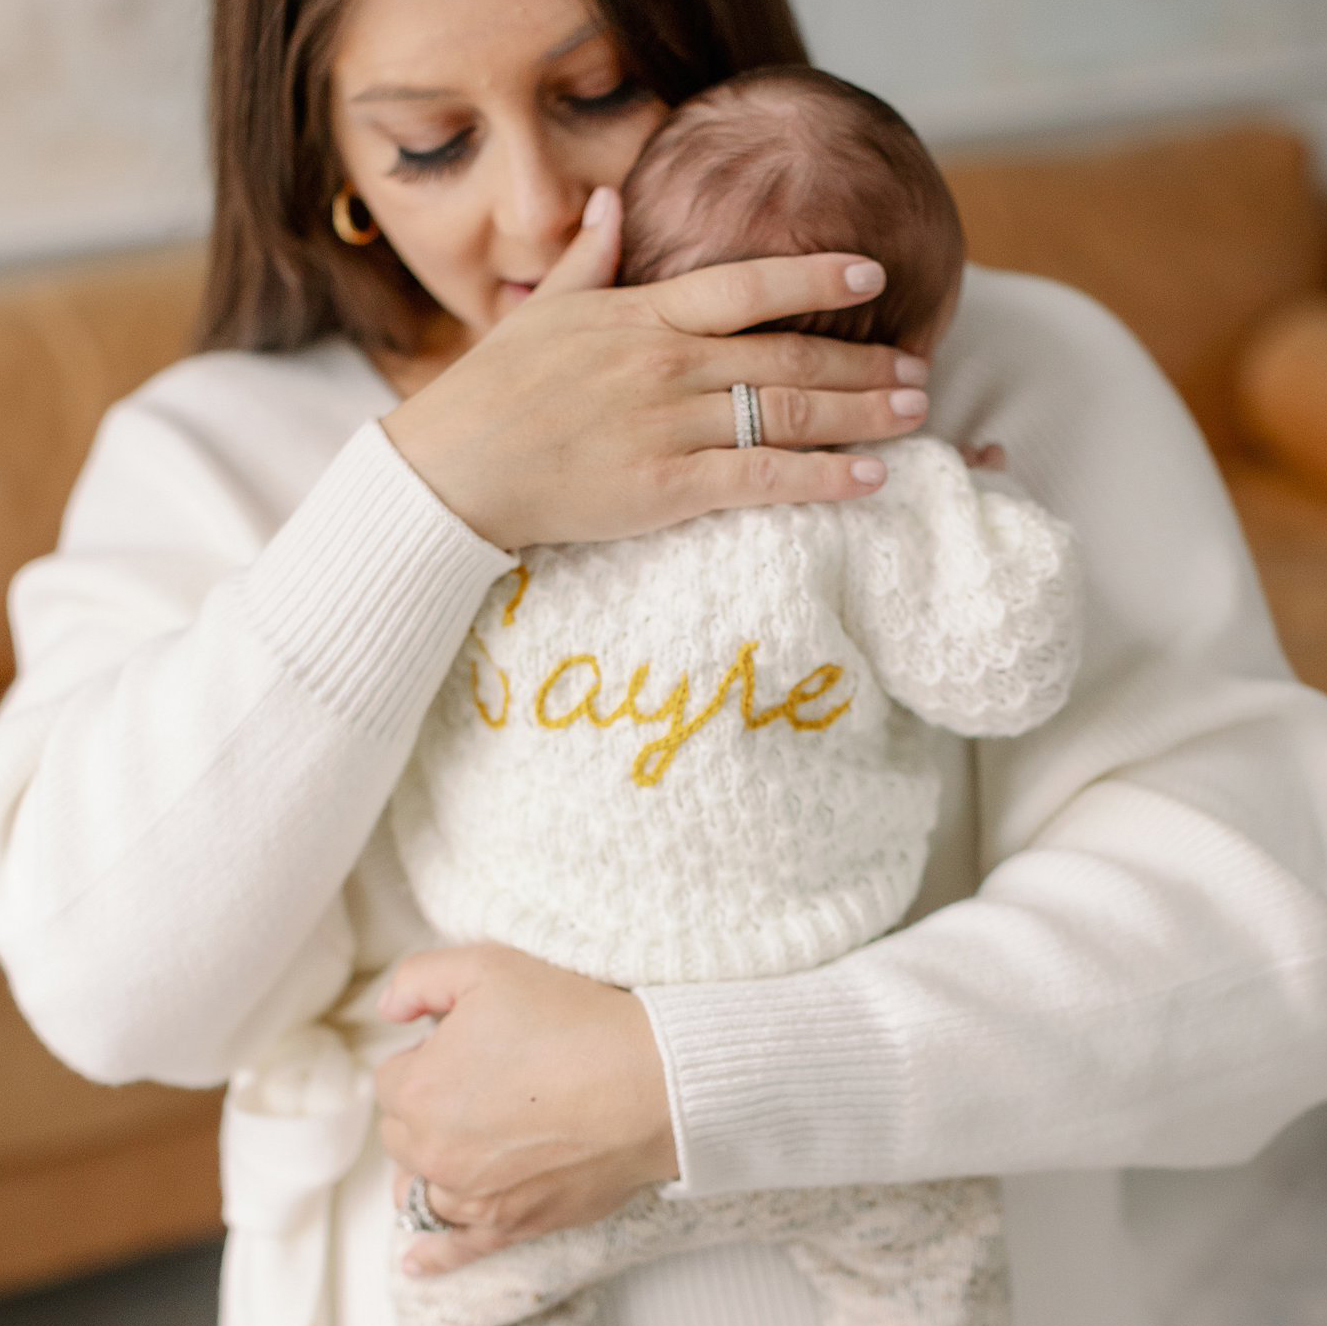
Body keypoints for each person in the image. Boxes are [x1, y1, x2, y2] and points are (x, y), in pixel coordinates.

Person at [0, 1, 1324, 1325]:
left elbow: (1263, 930)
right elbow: (112, 1003)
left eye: (598, 94)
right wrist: (430, 494)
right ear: (336, 172)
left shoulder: (988, 380)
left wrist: (685, 1079)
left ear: (714, 61)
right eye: (429, 145)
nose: (534, 212)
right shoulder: (206, 455)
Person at [384, 64, 1081, 1326]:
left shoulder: (498, 464)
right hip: (812, 1092)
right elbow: (1009, 674)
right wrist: (988, 515)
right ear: (919, 344)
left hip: (513, 1067)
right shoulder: (884, 496)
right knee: (935, 1263)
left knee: (455, 1289)